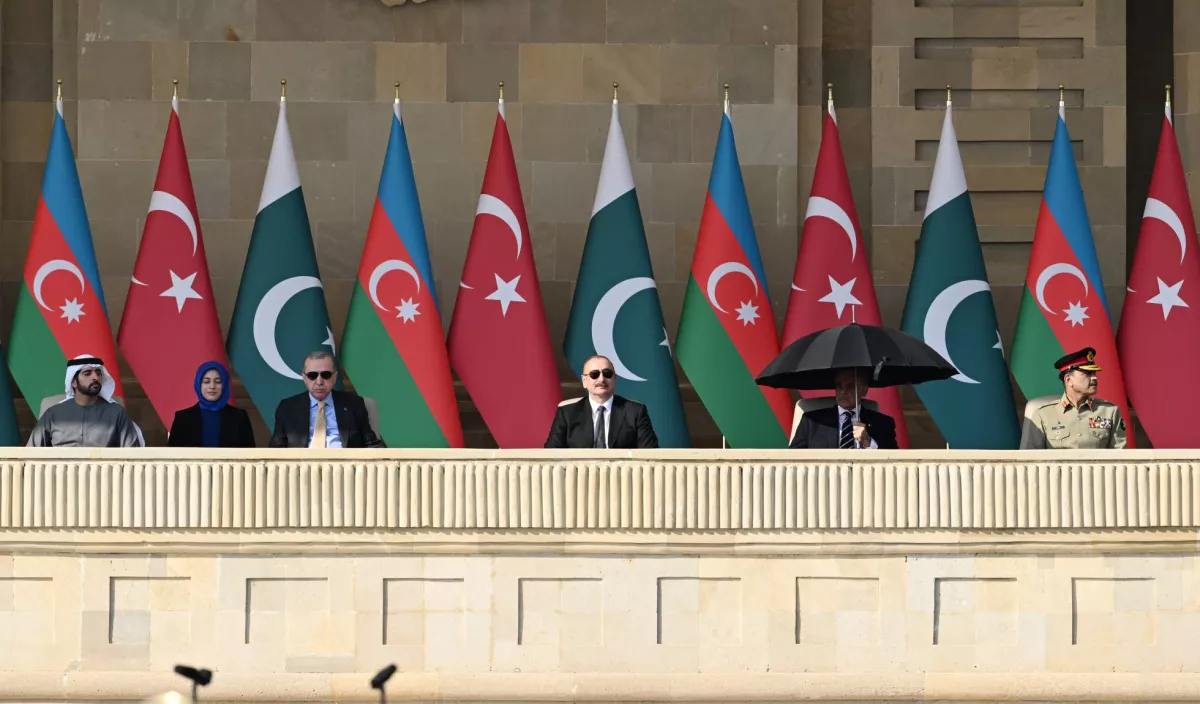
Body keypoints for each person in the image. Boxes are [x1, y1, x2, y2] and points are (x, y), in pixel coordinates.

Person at [269, 351, 384, 448]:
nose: (319, 382)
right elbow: (276, 449)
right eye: (312, 375)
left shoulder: (354, 404)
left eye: (326, 375)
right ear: (304, 378)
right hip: (303, 466)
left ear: (335, 377)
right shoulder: (287, 407)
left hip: (344, 465)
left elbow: (372, 445)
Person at [544, 354, 658, 449]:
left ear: (614, 379)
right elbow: (551, 456)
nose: (601, 379)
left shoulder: (635, 412)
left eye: (607, 374)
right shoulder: (567, 414)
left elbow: (649, 455)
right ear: (584, 381)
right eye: (594, 374)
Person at [27, 354, 142, 448]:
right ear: (73, 382)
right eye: (87, 373)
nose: (95, 377)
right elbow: (31, 453)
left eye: (98, 373)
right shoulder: (53, 414)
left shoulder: (116, 413)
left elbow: (133, 454)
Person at [1023, 347, 1126, 449]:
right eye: (1087, 373)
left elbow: (1120, 455)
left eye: (1094, 373)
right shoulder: (1043, 415)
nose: (1094, 377)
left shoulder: (1109, 411)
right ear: (1068, 380)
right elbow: (1031, 456)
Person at [789, 367, 898, 449]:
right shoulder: (811, 421)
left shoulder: (883, 423)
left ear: (864, 390)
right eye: (839, 385)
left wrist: (868, 442)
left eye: (850, 386)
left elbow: (894, 462)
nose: (842, 391)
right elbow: (792, 460)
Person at [168, 361, 256, 447]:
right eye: (206, 381)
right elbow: (171, 455)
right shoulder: (182, 418)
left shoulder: (240, 417)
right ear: (198, 384)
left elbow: (249, 454)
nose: (212, 386)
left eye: (218, 382)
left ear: (224, 384)